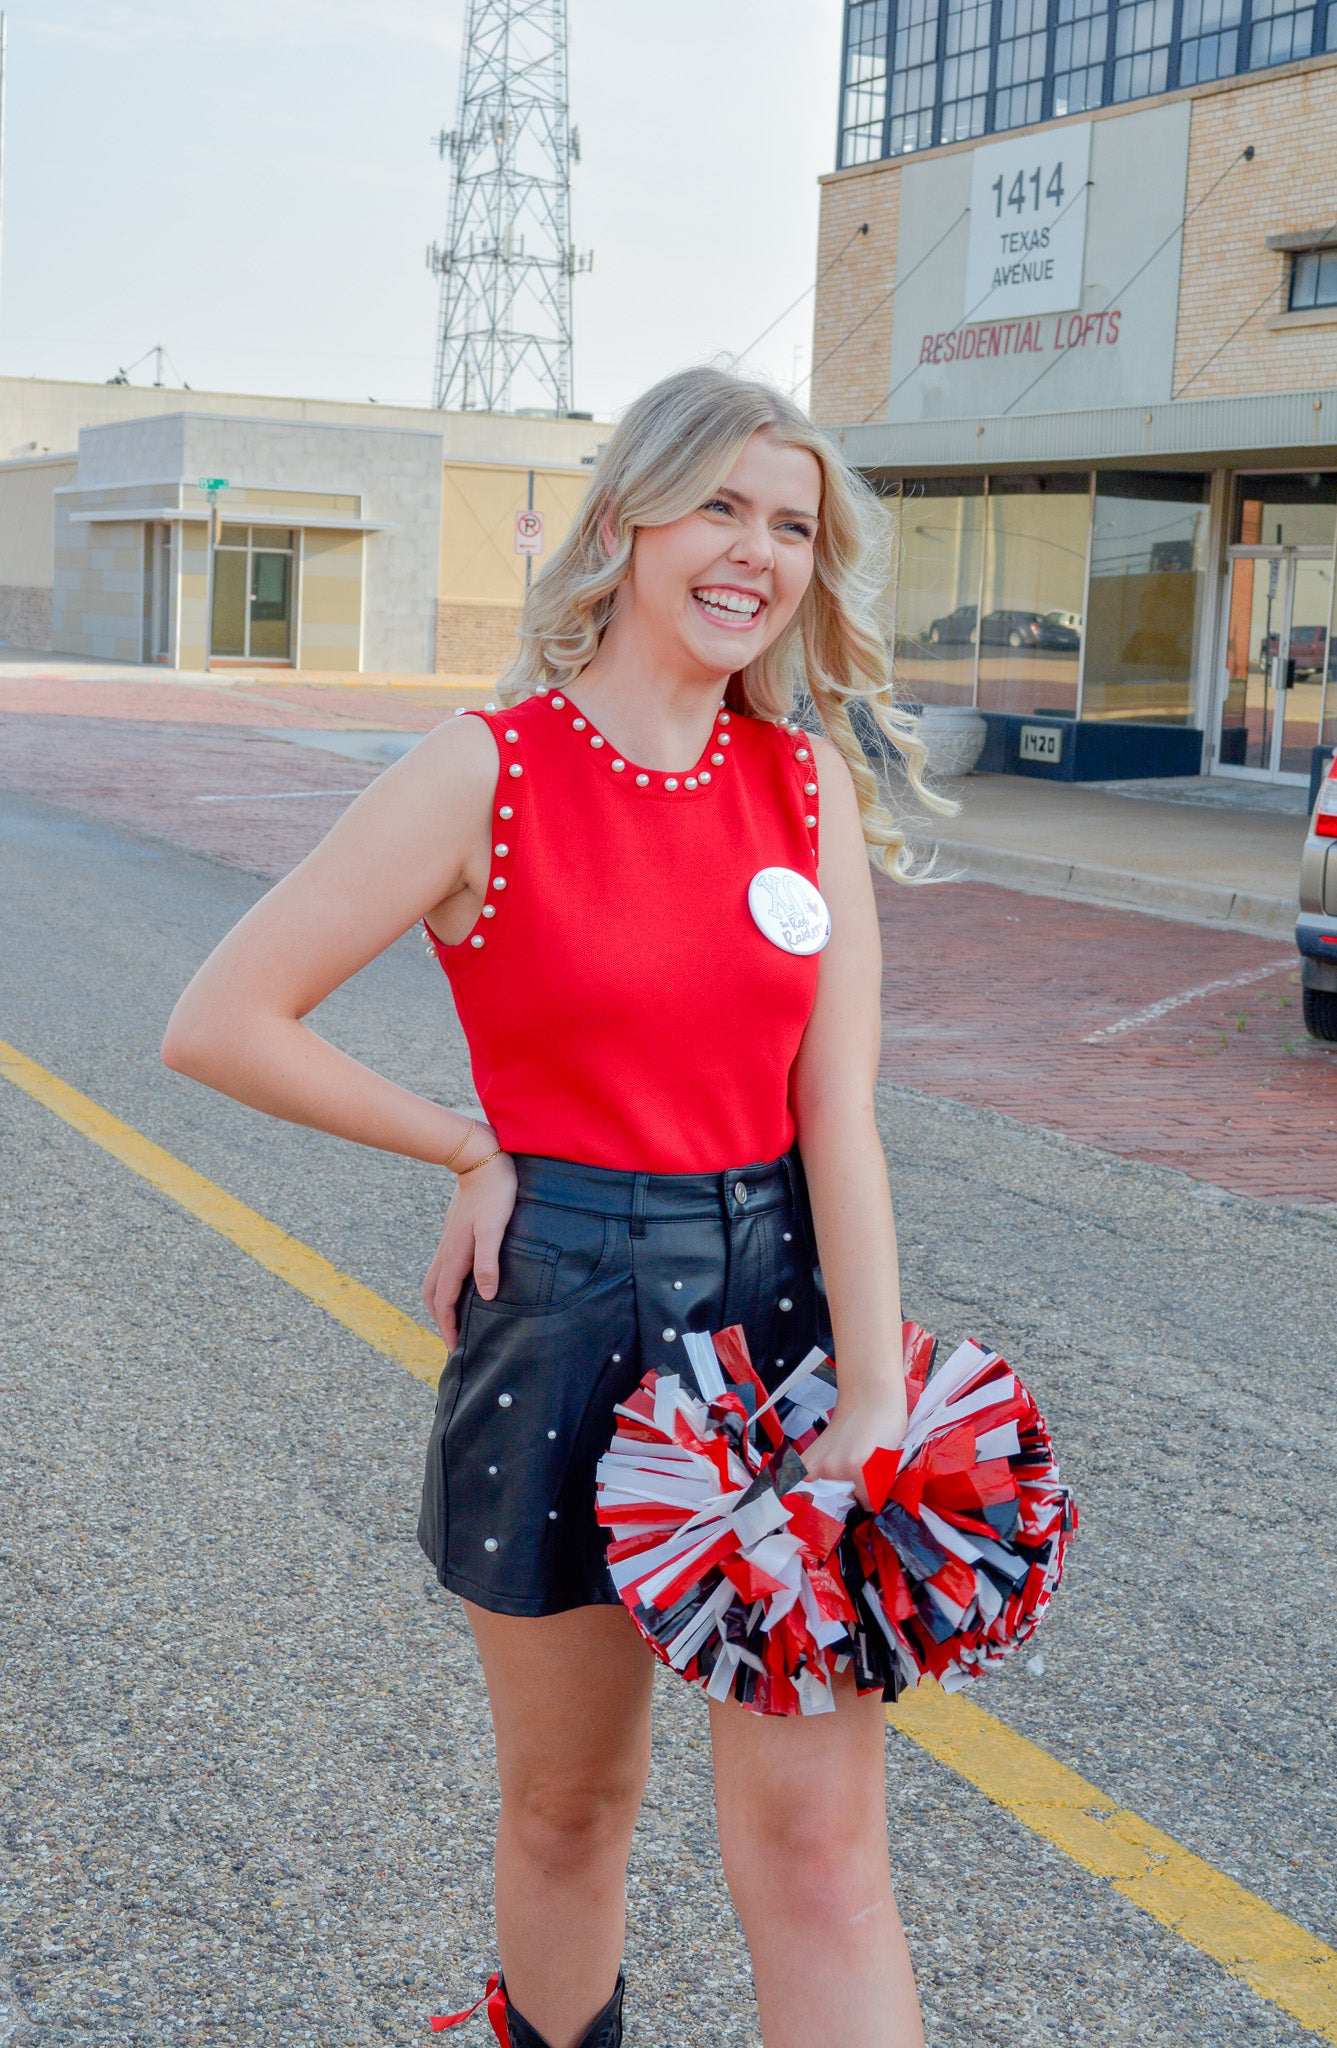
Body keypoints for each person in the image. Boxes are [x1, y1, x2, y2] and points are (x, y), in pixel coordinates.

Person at [162, 365, 953, 2048]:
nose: (756, 553)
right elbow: (221, 1019)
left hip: (784, 1321)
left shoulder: (803, 789)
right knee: (571, 1808)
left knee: (821, 1849)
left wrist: (875, 1400)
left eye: (792, 525)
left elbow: (840, 1116)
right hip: (570, 1307)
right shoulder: (488, 771)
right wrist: (465, 1150)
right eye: (718, 508)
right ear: (624, 522)